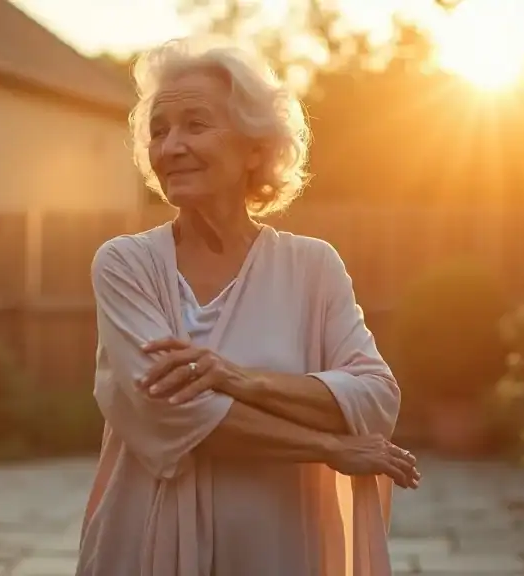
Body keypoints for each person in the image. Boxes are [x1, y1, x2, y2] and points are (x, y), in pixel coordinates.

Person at [76, 37, 420, 576]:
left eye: (196, 124)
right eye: (159, 131)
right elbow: (169, 412)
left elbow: (376, 397)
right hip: (148, 541)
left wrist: (239, 379)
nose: (171, 146)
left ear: (255, 148)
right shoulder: (125, 265)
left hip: (280, 545)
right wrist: (328, 444)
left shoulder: (313, 267)